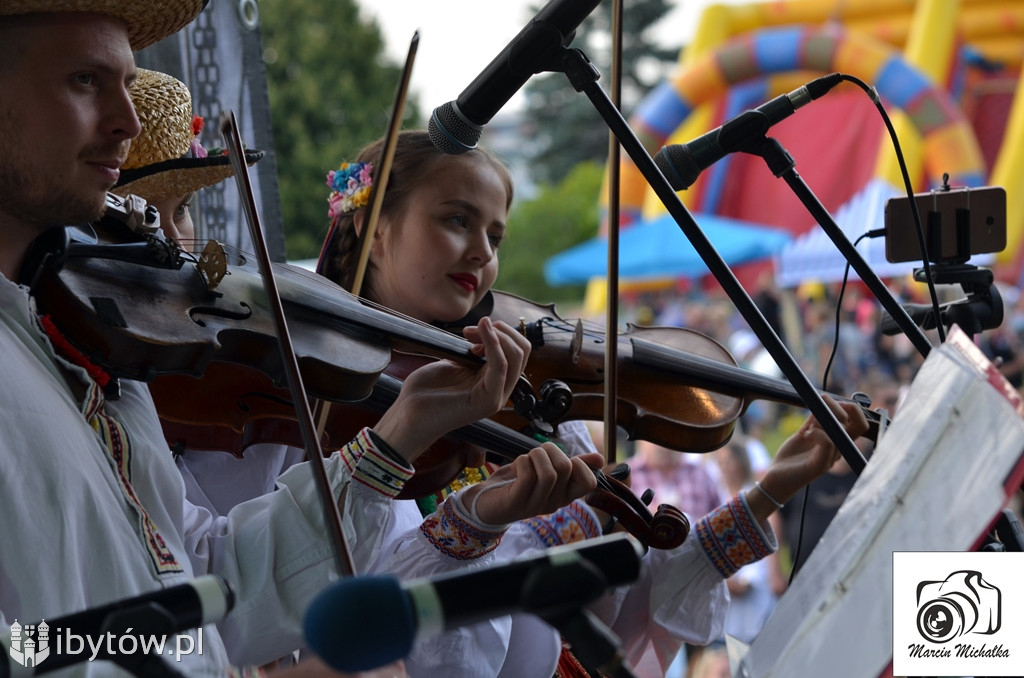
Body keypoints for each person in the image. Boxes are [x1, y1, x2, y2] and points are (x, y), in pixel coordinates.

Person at [0, 4, 600, 676]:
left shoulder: (84, 355)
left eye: (125, 82)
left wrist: (398, 434)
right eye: (84, 80)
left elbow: (206, 583)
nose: (127, 121)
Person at [315, 130, 871, 677]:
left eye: (496, 235)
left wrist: (768, 491)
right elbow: (357, 626)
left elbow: (629, 596)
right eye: (456, 219)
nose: (482, 252)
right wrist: (474, 521)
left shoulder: (528, 400)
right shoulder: (312, 410)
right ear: (374, 226)